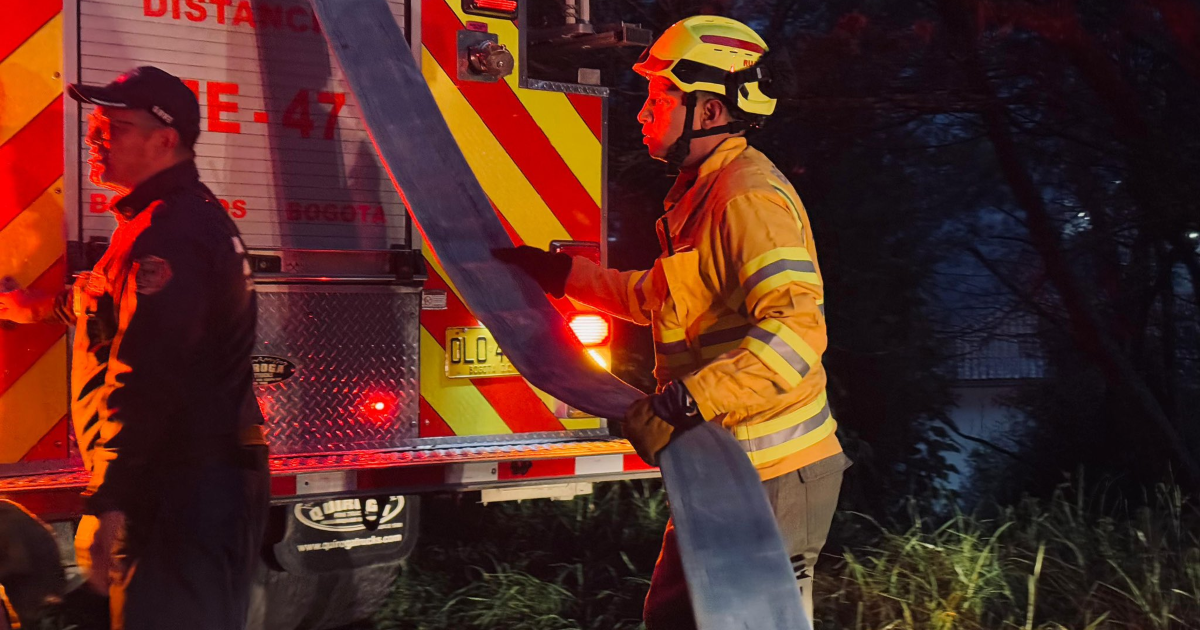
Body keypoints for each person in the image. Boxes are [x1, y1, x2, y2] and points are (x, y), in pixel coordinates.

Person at [496, 15, 850, 627]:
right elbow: (657, 297)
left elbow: (796, 334)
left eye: (660, 98)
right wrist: (562, 278)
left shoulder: (746, 198)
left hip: (773, 475)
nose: (644, 113)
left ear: (709, 112)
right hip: (728, 468)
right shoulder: (703, 195)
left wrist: (681, 405)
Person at [0, 66, 267, 630]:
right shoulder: (150, 224)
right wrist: (33, 307)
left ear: (164, 140)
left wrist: (109, 498)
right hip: (178, 483)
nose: (95, 139)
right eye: (95, 125)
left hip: (185, 490)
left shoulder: (171, 233)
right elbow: (105, 306)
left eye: (114, 128)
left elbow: (147, 371)